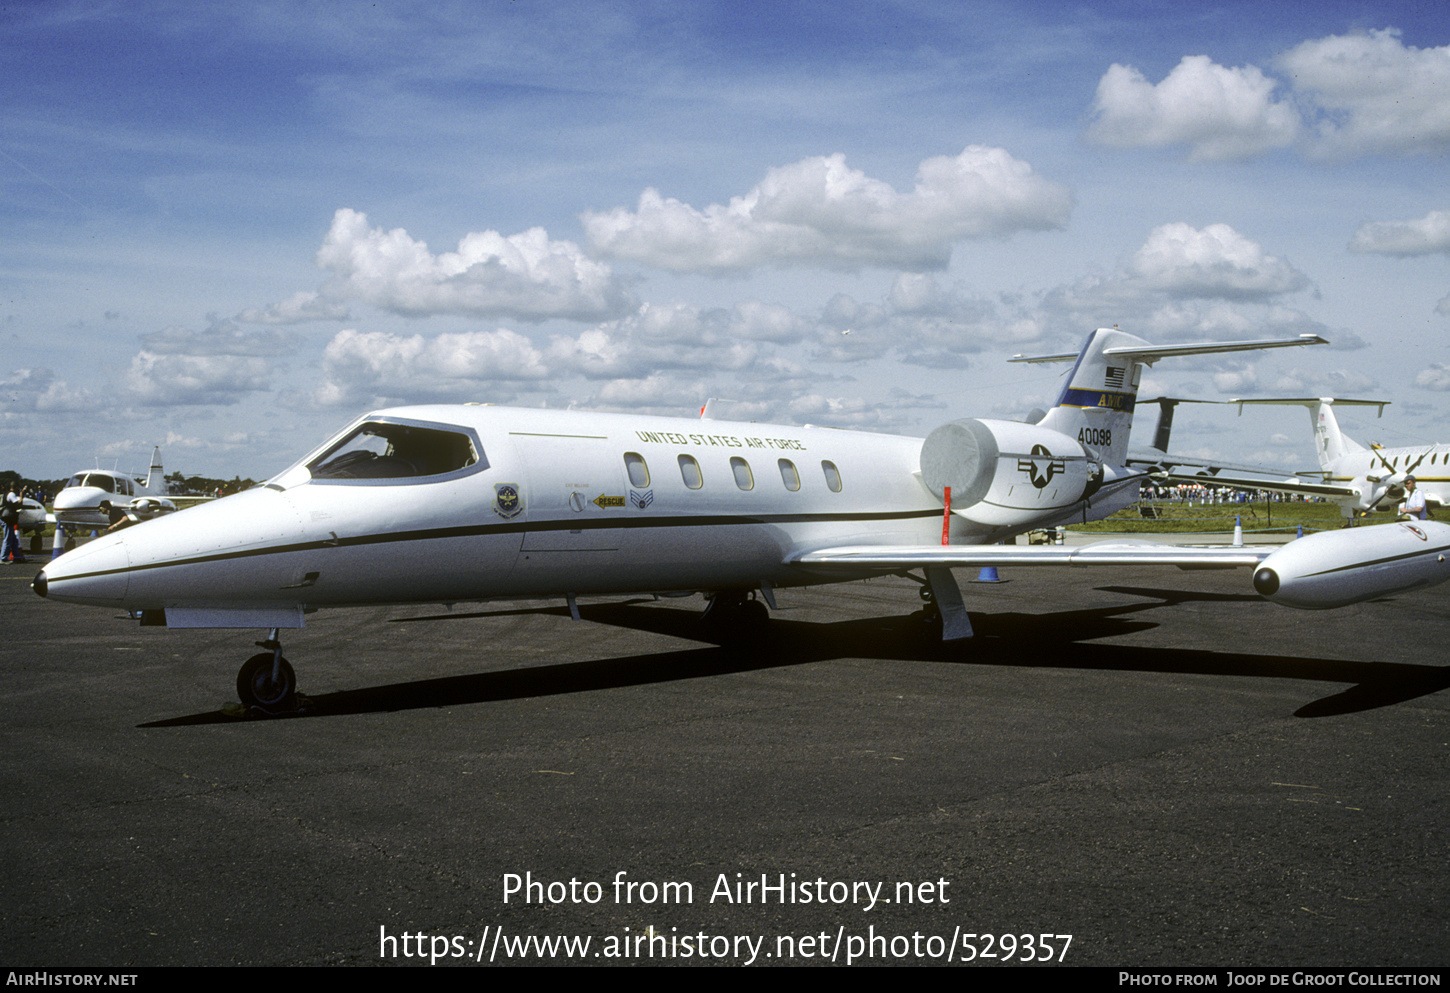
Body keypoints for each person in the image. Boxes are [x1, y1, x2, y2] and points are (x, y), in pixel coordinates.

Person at [2, 485, 25, 563]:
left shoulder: (5, 494)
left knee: (13, 539)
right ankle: (3, 558)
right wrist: (21, 496)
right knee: (8, 539)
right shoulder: (11, 494)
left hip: (5, 518)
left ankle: (17, 557)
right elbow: (18, 505)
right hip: (8, 519)